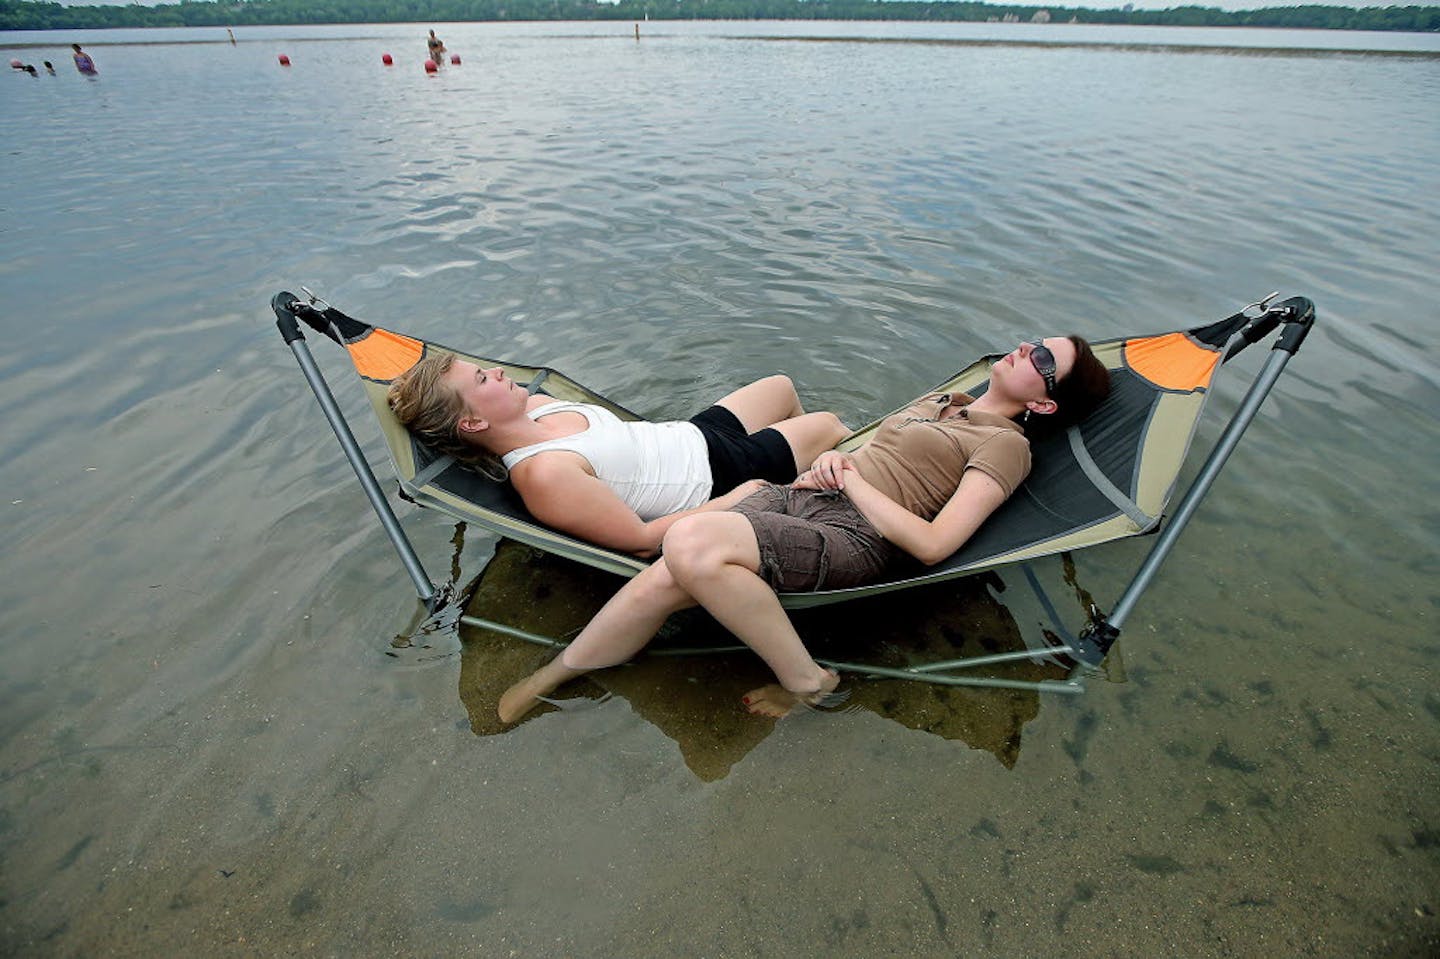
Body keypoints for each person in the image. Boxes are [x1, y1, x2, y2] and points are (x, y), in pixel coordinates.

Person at [496, 336, 1112, 724]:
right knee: (665, 578)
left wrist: (849, 481)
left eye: (1043, 360)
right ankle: (557, 675)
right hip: (805, 496)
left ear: (1047, 405)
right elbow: (869, 455)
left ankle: (810, 679)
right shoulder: (947, 403)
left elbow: (934, 544)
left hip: (857, 536)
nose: (1026, 349)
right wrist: (826, 464)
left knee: (688, 544)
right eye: (1033, 342)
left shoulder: (1006, 446)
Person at [387, 354, 850, 555]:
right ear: (472, 424)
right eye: (482, 380)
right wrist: (742, 495)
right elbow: (641, 540)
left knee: (781, 386)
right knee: (829, 425)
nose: (496, 371)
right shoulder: (544, 474)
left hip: (694, 435)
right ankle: (855, 503)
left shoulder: (539, 406)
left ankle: (810, 484)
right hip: (721, 475)